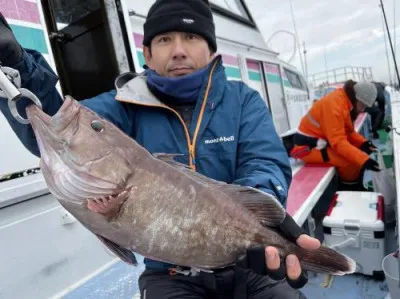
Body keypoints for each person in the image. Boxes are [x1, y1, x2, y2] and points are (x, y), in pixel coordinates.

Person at [0, 1, 320, 298]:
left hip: (251, 266)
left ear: (211, 50)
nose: (178, 50)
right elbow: (55, 123)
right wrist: (15, 66)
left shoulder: (243, 100)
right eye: (165, 40)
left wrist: (259, 222)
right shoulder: (122, 106)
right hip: (168, 273)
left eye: (191, 37)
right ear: (148, 54)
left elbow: (264, 161)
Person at [291, 80, 380, 190]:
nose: (362, 110)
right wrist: (364, 160)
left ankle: (355, 183)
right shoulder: (335, 106)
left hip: (324, 141)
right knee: (349, 162)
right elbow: (338, 142)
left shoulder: (344, 101)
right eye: (362, 105)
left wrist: (363, 144)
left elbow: (348, 132)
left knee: (357, 155)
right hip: (308, 148)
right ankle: (348, 189)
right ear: (357, 98)